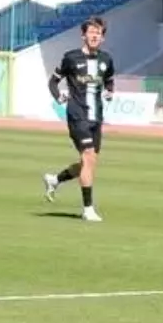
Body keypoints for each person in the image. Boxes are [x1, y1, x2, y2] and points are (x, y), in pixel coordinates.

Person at [42, 17, 116, 222]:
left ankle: (55, 179)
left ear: (102, 38)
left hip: (96, 117)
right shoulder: (71, 58)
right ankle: (88, 209)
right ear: (83, 35)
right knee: (89, 156)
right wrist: (59, 97)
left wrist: (110, 92)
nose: (94, 36)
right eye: (91, 32)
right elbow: (53, 82)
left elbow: (110, 80)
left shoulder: (106, 60)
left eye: (98, 33)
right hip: (77, 115)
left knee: (89, 163)